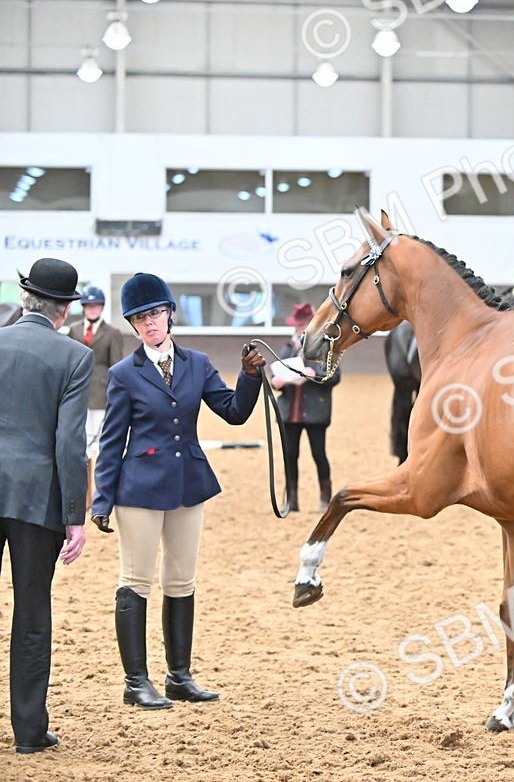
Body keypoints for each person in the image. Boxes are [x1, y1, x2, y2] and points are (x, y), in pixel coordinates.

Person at [91, 272, 266, 709]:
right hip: (139, 489)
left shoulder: (198, 364)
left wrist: (249, 377)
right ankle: (136, 682)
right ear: (133, 325)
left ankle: (179, 677)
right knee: (136, 580)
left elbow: (234, 412)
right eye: (140, 318)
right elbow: (111, 442)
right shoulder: (123, 374)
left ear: (170, 313)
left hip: (189, 483)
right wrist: (101, 500)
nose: (150, 323)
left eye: (155, 313)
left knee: (181, 579)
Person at [0, 258, 91, 754]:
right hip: (36, 498)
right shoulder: (74, 356)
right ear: (64, 310)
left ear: (25, 299)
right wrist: (74, 516)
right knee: (32, 611)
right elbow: (69, 444)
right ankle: (29, 731)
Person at [271, 303, 340, 513]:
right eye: (298, 325)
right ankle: (291, 499)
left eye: (303, 324)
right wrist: (277, 382)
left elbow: (334, 376)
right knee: (290, 454)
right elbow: (276, 373)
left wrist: (315, 375)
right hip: (291, 410)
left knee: (319, 453)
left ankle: (325, 498)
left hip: (314, 410)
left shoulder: (326, 348)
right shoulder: (288, 348)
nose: (300, 329)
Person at [68, 286, 126, 516]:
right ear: (83, 308)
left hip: (102, 397)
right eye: (89, 306)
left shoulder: (112, 333)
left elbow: (117, 367)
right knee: (81, 449)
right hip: (78, 395)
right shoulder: (73, 330)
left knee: (102, 448)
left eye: (96, 306)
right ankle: (83, 496)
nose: (92, 309)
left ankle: (102, 495)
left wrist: (115, 395)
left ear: (101, 307)